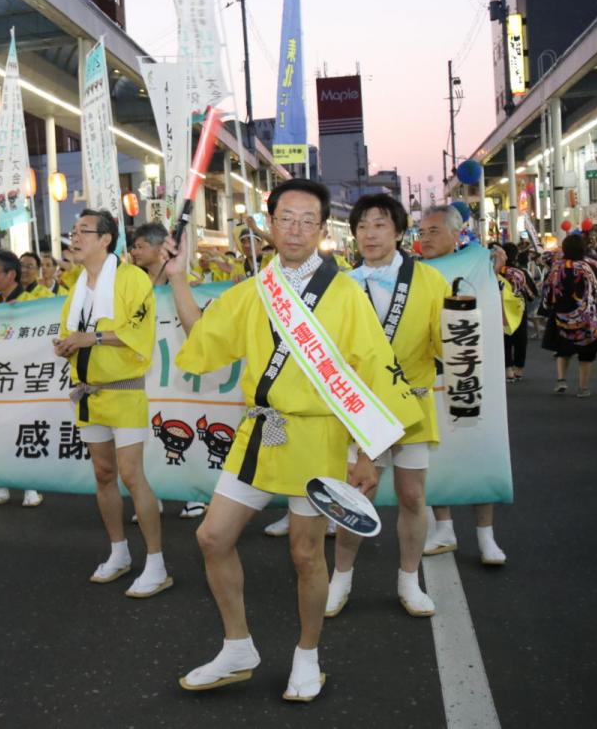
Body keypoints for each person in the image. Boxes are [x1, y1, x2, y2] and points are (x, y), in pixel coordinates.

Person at [162, 179, 419, 701]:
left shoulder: (345, 293)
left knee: (305, 554)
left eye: (307, 220)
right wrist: (178, 280)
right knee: (212, 538)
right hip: (261, 431)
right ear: (270, 223)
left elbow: (373, 371)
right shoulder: (256, 289)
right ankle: (238, 647)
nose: (296, 229)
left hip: (317, 436)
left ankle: (307, 655)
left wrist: (370, 453)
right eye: (286, 218)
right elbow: (204, 338)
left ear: (323, 230)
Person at [325, 193, 449, 619]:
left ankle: (408, 580)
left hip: (411, 406)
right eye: (361, 226)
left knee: (413, 496)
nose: (369, 234)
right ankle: (340, 578)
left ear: (399, 232)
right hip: (359, 409)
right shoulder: (339, 284)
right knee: (357, 495)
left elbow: (444, 345)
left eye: (379, 225)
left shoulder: (431, 281)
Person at [54, 210, 171, 599]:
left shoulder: (132, 278)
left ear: (106, 239)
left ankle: (156, 562)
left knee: (132, 474)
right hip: (88, 392)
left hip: (124, 390)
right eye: (74, 230)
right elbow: (67, 332)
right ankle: (118, 552)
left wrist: (91, 339)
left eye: (83, 231)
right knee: (103, 474)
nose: (75, 237)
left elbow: (138, 331)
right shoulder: (77, 285)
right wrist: (66, 343)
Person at [419, 205, 509, 566]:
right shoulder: (412, 273)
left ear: (457, 235)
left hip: (470, 372)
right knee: (433, 454)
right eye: (421, 232)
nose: (425, 238)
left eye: (434, 231)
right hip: (429, 373)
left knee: (477, 449)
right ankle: (443, 529)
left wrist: (494, 272)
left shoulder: (478, 267)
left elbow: (504, 318)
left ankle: (486, 536)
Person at [127, 222, 207, 521]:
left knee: (183, 426)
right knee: (147, 431)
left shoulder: (187, 280)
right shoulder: (133, 283)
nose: (134, 252)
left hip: (181, 367)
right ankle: (152, 495)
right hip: (146, 368)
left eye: (139, 246)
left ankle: (192, 494)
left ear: (159, 248)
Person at [0, 252, 45, 509]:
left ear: (10, 275)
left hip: (25, 379)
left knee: (24, 430)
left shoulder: (32, 302)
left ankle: (31, 486)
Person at [542, 233, 597, 397]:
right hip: (586, 318)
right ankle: (583, 388)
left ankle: (561, 380)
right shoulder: (590, 267)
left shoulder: (557, 267)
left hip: (561, 316)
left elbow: (548, 290)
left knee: (563, 350)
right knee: (586, 355)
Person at [495, 243, 536, 382]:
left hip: (499, 309)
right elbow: (532, 294)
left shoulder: (494, 271)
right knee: (520, 339)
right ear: (515, 255)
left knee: (504, 338)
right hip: (519, 309)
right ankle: (519, 369)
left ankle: (508, 369)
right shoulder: (520, 272)